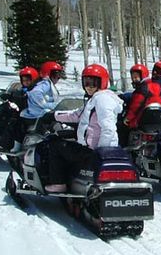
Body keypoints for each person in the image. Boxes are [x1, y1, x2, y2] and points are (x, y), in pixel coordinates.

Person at [44, 64, 123, 193]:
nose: (89, 87)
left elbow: (108, 129)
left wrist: (100, 152)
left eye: (93, 83)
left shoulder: (102, 100)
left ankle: (58, 183)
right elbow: (76, 115)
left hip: (95, 151)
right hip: (92, 148)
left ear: (101, 83)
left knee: (55, 145)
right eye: (86, 83)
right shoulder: (95, 99)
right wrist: (54, 115)